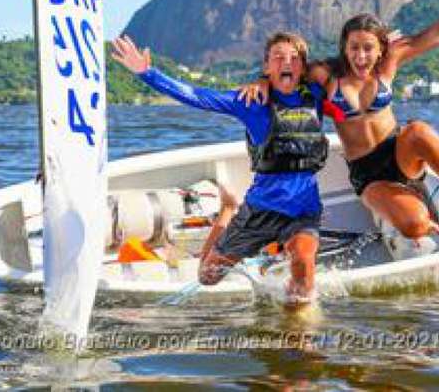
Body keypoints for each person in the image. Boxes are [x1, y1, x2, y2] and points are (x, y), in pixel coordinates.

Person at [242, 0, 439, 240]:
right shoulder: (327, 74)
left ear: (380, 48)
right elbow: (287, 71)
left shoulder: (388, 63)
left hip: (400, 153)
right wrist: (261, 80)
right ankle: (413, 209)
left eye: (368, 48)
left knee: (418, 130)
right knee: (415, 226)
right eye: (354, 47)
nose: (360, 56)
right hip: (369, 175)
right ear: (344, 48)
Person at [111, 32, 328, 304]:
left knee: (304, 259)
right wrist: (147, 73)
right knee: (208, 276)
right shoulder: (251, 102)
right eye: (278, 57)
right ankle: (227, 212)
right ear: (267, 67)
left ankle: (299, 327)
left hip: (303, 209)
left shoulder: (317, 96)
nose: (287, 63)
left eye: (295, 59)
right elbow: (197, 96)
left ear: (303, 68)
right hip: (260, 210)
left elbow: (353, 78)